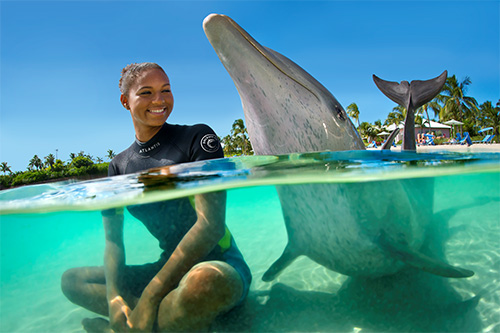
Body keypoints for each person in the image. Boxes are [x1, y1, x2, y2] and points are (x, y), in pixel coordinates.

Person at [61, 62, 251, 332]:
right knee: (73, 281)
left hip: (218, 263)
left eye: (166, 90)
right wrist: (114, 299)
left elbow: (211, 226)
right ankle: (159, 318)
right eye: (147, 92)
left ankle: (129, 326)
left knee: (203, 283)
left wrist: (151, 296)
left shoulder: (197, 138)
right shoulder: (118, 167)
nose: (159, 100)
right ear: (126, 101)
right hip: (165, 268)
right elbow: (113, 242)